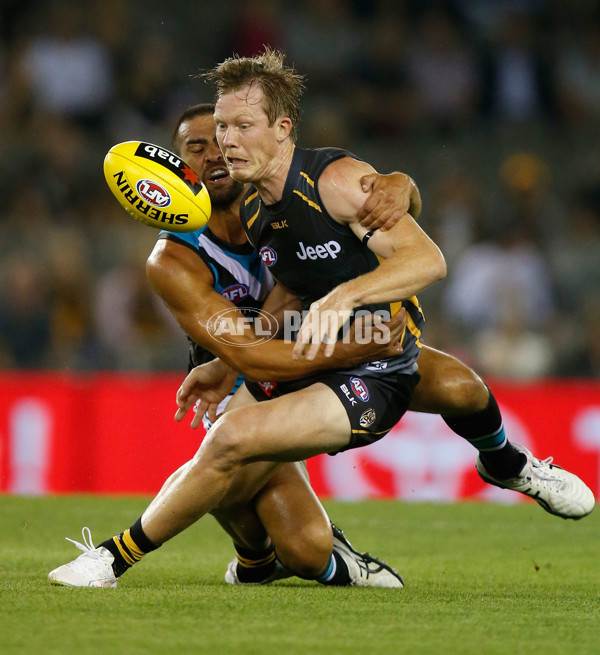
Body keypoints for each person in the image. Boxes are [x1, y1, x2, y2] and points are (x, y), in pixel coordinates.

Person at [49, 49, 594, 590]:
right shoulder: (216, 234)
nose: (225, 145)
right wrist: (225, 365)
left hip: (368, 355)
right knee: (273, 508)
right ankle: (264, 559)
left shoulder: (329, 180)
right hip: (298, 353)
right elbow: (291, 291)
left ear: (282, 129)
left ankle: (112, 560)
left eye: (239, 127)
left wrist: (378, 231)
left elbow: (426, 258)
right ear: (175, 167)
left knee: (460, 387)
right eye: (214, 133)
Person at [48, 102, 417, 588]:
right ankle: (256, 559)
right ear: (174, 166)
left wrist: (402, 185)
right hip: (247, 377)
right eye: (194, 148)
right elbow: (248, 354)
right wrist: (343, 352)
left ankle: (509, 459)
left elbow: (373, 217)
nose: (212, 155)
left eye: (220, 142)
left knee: (450, 383)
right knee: (303, 546)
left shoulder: (282, 204)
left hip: (314, 364)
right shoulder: (175, 257)